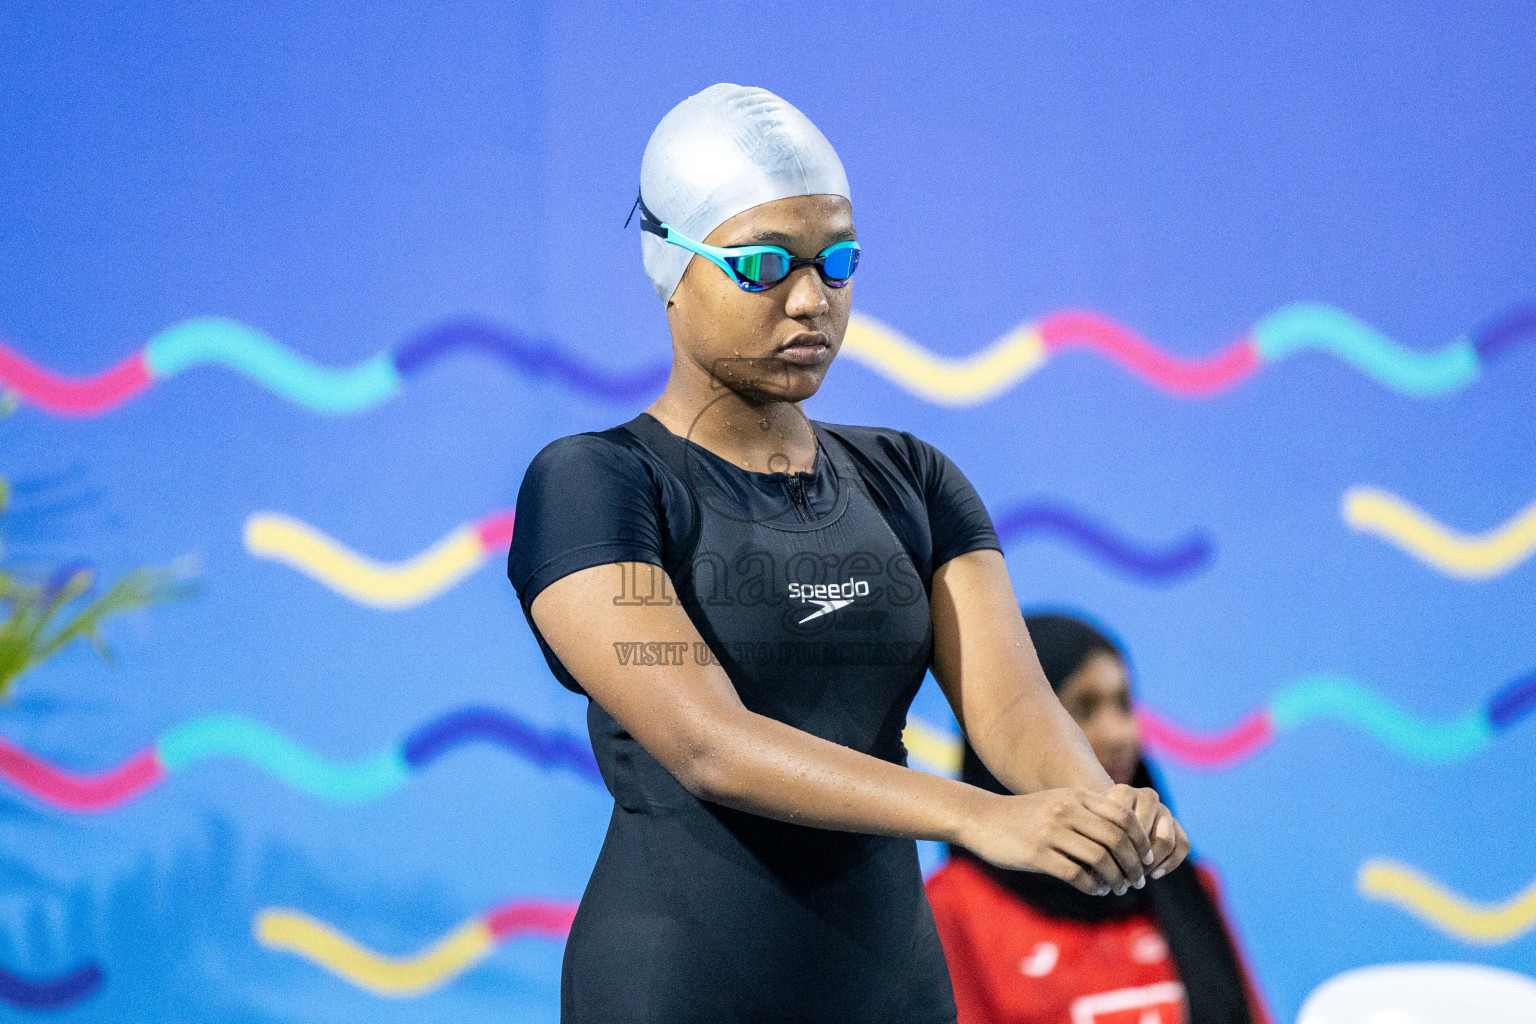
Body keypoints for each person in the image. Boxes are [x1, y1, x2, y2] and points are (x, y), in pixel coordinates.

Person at [506, 83, 1191, 1024]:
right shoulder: (597, 483)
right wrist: (979, 814)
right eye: (761, 265)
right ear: (670, 265)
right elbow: (708, 744)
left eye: (837, 262)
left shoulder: (909, 476)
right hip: (685, 985)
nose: (810, 299)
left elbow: (1013, 707)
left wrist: (1094, 807)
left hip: (892, 986)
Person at [925, 613, 1273, 1024]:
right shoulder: (951, 907)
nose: (1121, 733)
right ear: (1011, 733)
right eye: (1084, 709)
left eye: (1124, 704)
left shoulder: (1188, 885)